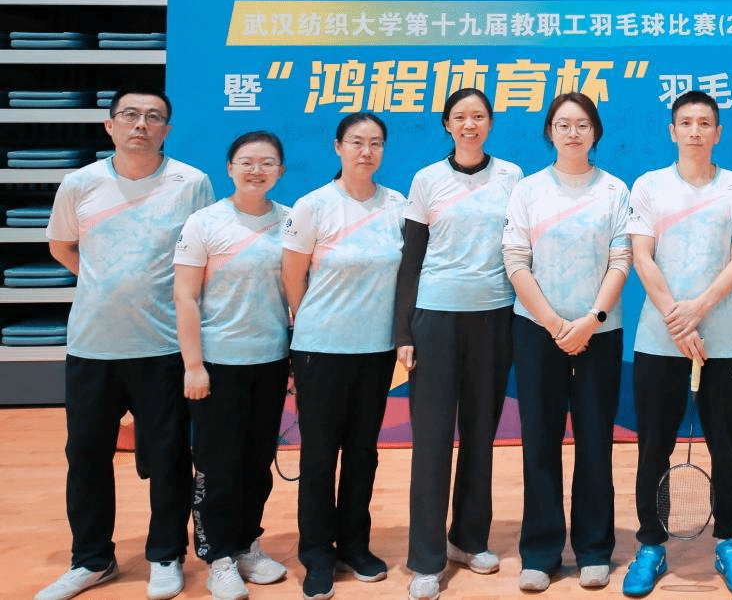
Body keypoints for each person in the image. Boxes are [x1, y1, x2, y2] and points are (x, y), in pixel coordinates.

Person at [39, 88, 214, 600]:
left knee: (167, 457)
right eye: (130, 115)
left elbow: (205, 254)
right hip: (92, 345)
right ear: (110, 125)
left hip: (163, 346)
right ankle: (91, 559)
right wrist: (104, 283)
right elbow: (61, 245)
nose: (141, 124)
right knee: (87, 456)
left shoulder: (191, 183)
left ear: (167, 129)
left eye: (153, 117)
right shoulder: (79, 183)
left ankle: (166, 554)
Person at [622, 90, 732, 598]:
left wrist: (698, 309)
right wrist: (676, 320)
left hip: (721, 341)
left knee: (726, 447)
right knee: (652, 448)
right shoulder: (649, 186)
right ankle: (651, 544)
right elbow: (641, 255)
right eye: (687, 122)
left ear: (718, 132)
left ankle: (729, 541)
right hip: (659, 341)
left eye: (705, 123)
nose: (696, 131)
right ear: (672, 131)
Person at [393, 89, 522, 600]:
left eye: (479, 116)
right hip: (435, 319)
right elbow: (411, 259)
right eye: (460, 117)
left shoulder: (512, 177)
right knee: (431, 441)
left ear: (490, 123)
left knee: (480, 434)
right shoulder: (426, 179)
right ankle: (426, 559)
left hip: (494, 316)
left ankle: (468, 539)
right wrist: (403, 332)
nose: (470, 124)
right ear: (447, 124)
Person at [502, 92, 631, 592]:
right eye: (562, 124)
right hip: (537, 331)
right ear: (549, 132)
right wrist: (555, 324)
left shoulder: (614, 190)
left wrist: (591, 320)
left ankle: (595, 549)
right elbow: (516, 261)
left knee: (596, 441)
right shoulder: (528, 190)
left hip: (600, 332)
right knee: (540, 441)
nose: (573, 133)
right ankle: (540, 552)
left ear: (595, 132)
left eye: (582, 124)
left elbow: (621, 260)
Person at [281, 113, 405, 600]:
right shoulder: (313, 206)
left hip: (376, 351)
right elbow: (292, 278)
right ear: (338, 147)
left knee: (362, 453)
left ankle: (355, 545)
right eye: (356, 142)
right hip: (320, 350)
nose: (366, 151)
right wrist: (313, 325)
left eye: (375, 143)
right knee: (318, 457)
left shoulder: (396, 205)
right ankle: (316, 553)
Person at [173, 131, 291, 600]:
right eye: (247, 161)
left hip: (271, 360)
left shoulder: (291, 220)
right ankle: (218, 556)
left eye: (267, 162)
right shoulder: (204, 222)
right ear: (229, 167)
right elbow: (185, 296)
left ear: (280, 170)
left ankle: (246, 544)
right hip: (218, 364)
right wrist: (193, 365)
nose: (256, 170)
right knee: (217, 466)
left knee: (257, 463)